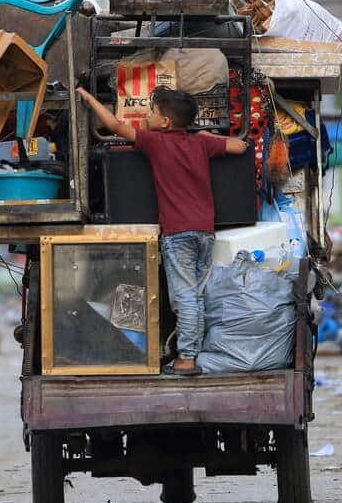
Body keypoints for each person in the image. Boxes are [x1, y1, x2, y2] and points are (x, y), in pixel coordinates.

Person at [76, 85, 248, 375]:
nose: (147, 116)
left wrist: (89, 98)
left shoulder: (155, 142)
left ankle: (187, 359)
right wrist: (208, 136)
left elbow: (115, 126)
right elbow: (240, 146)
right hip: (205, 232)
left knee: (185, 298)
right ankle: (196, 352)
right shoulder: (200, 143)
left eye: (152, 112)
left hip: (178, 234)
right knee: (195, 296)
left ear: (165, 123)